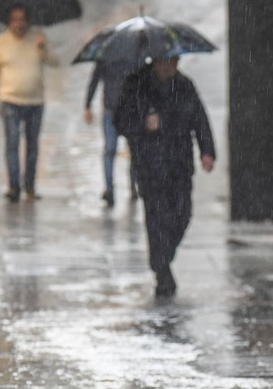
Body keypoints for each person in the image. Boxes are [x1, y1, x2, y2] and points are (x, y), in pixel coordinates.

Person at [114, 56, 215, 297]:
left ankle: (162, 259)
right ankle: (162, 271)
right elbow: (119, 121)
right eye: (166, 61)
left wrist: (207, 150)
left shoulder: (184, 85)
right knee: (157, 218)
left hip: (180, 163)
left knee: (183, 213)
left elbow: (200, 118)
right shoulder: (136, 85)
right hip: (150, 165)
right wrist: (143, 123)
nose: (171, 65)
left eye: (175, 60)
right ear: (156, 61)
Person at [0, 4, 58, 202]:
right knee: (12, 143)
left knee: (33, 145)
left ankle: (30, 186)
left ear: (28, 20)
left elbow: (55, 61)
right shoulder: (1, 42)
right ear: (10, 22)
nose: (19, 23)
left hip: (35, 101)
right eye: (15, 19)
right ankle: (14, 187)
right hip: (10, 100)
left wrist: (43, 48)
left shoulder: (38, 38)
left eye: (22, 19)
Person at [84, 59, 141, 207]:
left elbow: (94, 80)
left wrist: (88, 104)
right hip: (123, 110)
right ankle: (121, 188)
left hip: (121, 109)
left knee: (114, 151)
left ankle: (114, 189)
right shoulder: (134, 54)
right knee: (127, 150)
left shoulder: (107, 53)